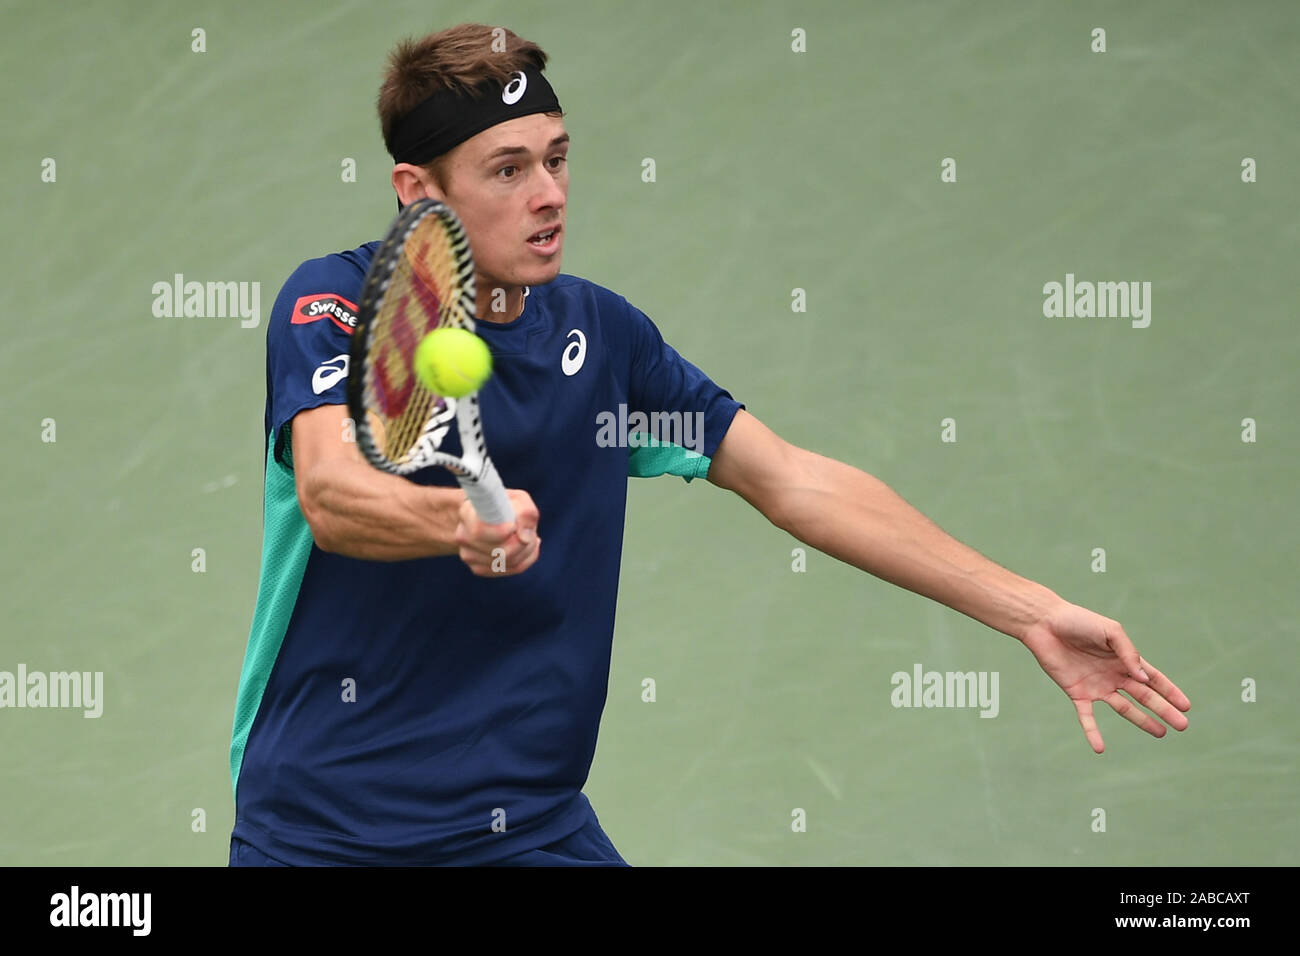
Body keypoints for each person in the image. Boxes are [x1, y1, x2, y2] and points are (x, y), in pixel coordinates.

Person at [228, 23, 1190, 867]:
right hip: (326, 830)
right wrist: (457, 522)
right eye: (508, 169)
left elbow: (790, 479)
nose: (549, 194)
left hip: (524, 824)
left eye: (558, 158)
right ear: (416, 190)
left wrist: (1028, 611)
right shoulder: (338, 305)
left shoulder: (605, 347)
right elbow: (333, 492)